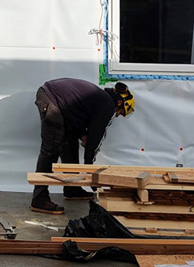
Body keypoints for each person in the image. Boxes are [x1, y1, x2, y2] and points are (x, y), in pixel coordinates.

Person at [30, 78, 135, 215]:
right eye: (121, 112)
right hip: (52, 100)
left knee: (70, 144)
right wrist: (89, 168)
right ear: (120, 103)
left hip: (56, 100)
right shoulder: (108, 105)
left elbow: (77, 119)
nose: (117, 115)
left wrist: (83, 135)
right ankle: (39, 198)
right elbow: (95, 139)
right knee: (50, 150)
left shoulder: (100, 99)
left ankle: (72, 189)